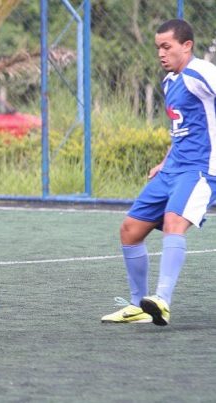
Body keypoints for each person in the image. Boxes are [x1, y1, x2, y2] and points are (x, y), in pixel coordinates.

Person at [101, 19, 216, 326]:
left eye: (167, 47)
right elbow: (181, 129)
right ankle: (139, 305)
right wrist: (166, 161)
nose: (161, 53)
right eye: (158, 48)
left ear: (187, 46)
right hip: (173, 169)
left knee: (173, 222)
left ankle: (162, 300)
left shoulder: (201, 73)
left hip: (201, 169)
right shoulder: (170, 81)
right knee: (130, 230)